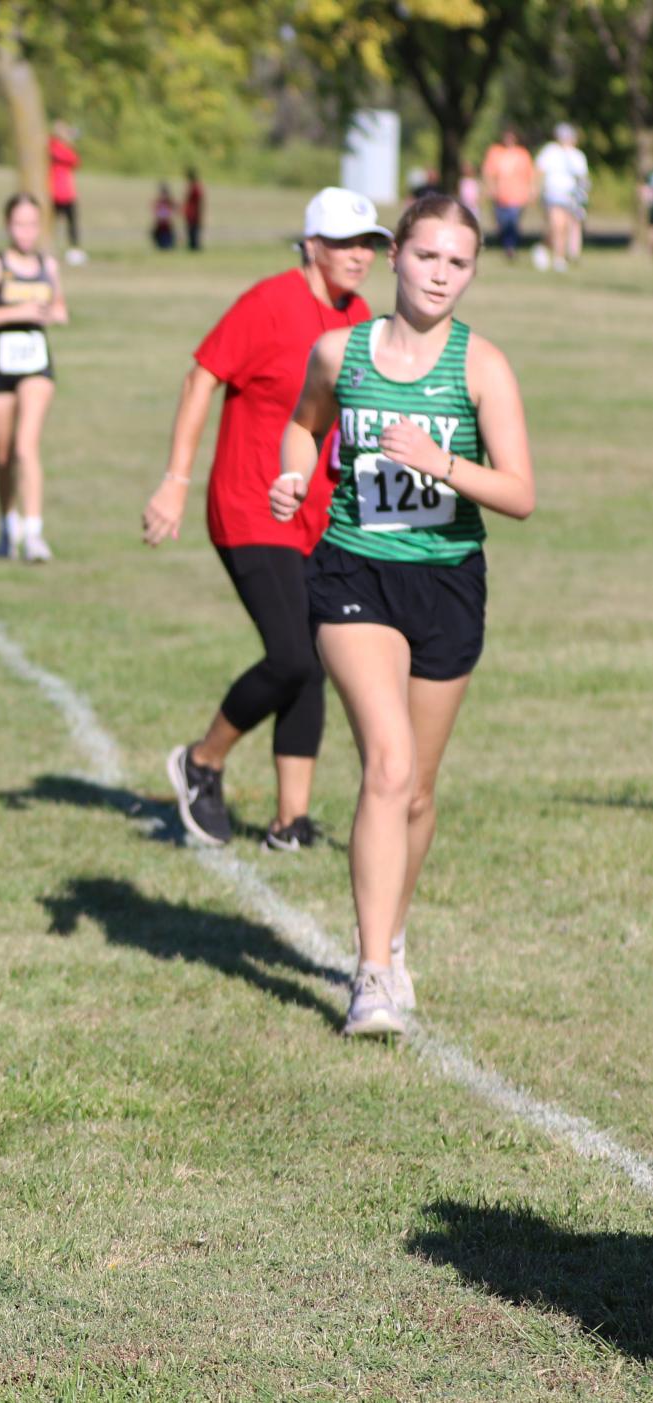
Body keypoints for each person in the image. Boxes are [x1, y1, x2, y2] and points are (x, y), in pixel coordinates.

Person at [270, 194, 535, 1037]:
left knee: (416, 790)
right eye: (426, 257)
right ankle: (372, 974)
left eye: (457, 263)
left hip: (447, 583)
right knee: (385, 764)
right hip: (354, 571)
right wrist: (290, 476)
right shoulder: (338, 351)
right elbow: (303, 428)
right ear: (395, 258)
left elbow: (521, 494)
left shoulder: (481, 367)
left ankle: (390, 927)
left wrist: (442, 462)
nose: (439, 276)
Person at [141, 186, 384, 851]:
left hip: (319, 512)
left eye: (368, 244)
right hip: (249, 505)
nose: (358, 256)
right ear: (310, 245)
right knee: (289, 655)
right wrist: (173, 480)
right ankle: (202, 760)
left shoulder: (359, 314)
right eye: (343, 243)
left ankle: (289, 821)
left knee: (314, 655)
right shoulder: (267, 303)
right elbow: (201, 377)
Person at [0, 193, 67, 562]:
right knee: (3, 455)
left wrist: (52, 314)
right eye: (20, 223)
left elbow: (61, 308)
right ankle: (9, 526)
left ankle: (35, 533)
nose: (26, 231)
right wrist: (14, 312)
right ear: (8, 225)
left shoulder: (47, 265)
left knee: (26, 446)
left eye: (33, 224)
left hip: (36, 364)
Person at [535, 124, 589, 272]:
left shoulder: (577, 156)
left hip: (570, 196)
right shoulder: (550, 151)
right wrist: (535, 189)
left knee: (564, 227)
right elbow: (539, 170)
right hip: (552, 194)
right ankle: (558, 258)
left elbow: (582, 178)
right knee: (557, 225)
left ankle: (551, 251)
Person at [481, 127, 534, 264]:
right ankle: (506, 244)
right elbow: (488, 172)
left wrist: (531, 191)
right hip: (500, 195)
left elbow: (529, 175)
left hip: (518, 195)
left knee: (513, 221)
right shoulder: (495, 152)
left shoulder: (523, 154)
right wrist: (490, 188)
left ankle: (510, 247)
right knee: (502, 223)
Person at [49, 122, 86, 265]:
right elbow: (70, 159)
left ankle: (74, 251)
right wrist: (67, 142)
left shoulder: (63, 148)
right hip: (56, 193)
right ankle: (51, 249)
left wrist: (68, 143)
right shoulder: (55, 148)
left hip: (68, 193)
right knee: (53, 224)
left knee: (72, 224)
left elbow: (76, 161)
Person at [184, 169, 205, 252]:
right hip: (191, 212)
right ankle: (193, 246)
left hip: (193, 212)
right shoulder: (194, 186)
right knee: (192, 230)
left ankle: (194, 246)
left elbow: (199, 200)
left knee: (194, 230)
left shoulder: (195, 187)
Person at [152, 183, 177, 250]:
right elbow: (155, 210)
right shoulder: (160, 201)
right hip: (161, 225)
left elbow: (174, 210)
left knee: (167, 240)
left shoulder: (169, 201)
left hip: (166, 225)